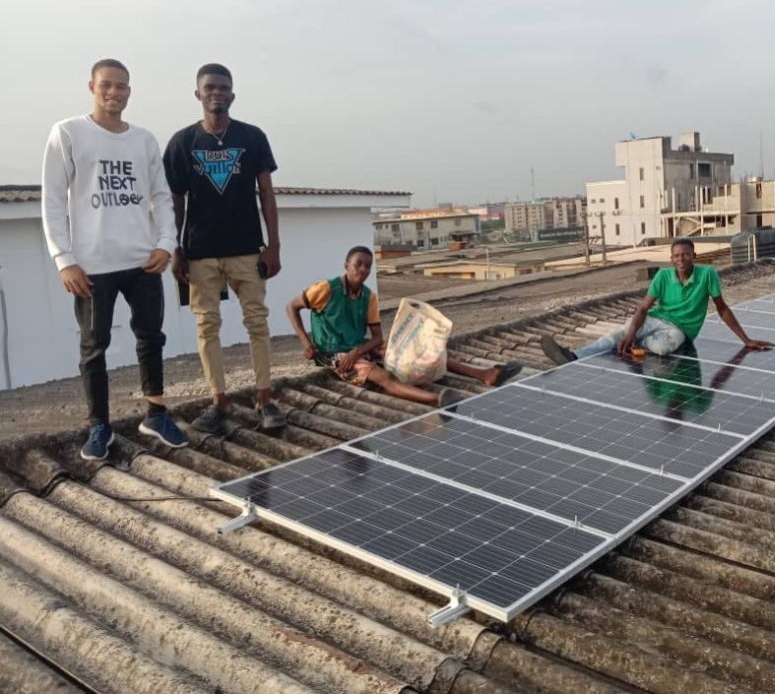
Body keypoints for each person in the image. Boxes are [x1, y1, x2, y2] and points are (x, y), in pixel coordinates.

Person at [42, 58, 188, 460]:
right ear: (91, 86)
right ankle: (99, 426)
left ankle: (156, 414)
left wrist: (165, 243)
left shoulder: (143, 140)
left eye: (122, 86)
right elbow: (53, 201)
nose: (114, 93)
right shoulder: (68, 133)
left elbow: (161, 196)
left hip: (143, 261)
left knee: (151, 338)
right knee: (94, 347)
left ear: (129, 91)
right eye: (106, 85)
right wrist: (64, 259)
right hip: (92, 267)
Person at [163, 63, 286, 434]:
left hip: (247, 248)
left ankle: (265, 398)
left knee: (257, 322)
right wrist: (176, 248)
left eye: (223, 88)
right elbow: (176, 201)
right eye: (209, 87)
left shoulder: (252, 137)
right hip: (200, 251)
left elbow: (266, 192)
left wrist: (274, 244)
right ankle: (219, 400)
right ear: (197, 94)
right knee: (207, 325)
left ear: (232, 95)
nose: (217, 93)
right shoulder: (182, 143)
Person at [286, 246, 522, 407]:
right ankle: (436, 399)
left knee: (423, 353)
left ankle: (485, 374)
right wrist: (306, 342)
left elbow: (377, 337)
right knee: (383, 375)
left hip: (358, 348)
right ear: (346, 265)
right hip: (332, 353)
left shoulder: (368, 296)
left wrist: (359, 351)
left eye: (368, 266)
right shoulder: (325, 289)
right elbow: (292, 307)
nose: (363, 271)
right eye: (358, 265)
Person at [541, 238, 773, 365]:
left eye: (685, 254)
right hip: (656, 319)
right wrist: (632, 331)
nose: (680, 259)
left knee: (662, 349)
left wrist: (746, 340)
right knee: (617, 336)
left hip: (681, 329)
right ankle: (574, 356)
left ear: (694, 256)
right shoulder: (663, 276)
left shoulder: (707, 275)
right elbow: (643, 307)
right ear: (671, 258)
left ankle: (639, 343)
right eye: (676, 255)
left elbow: (722, 309)